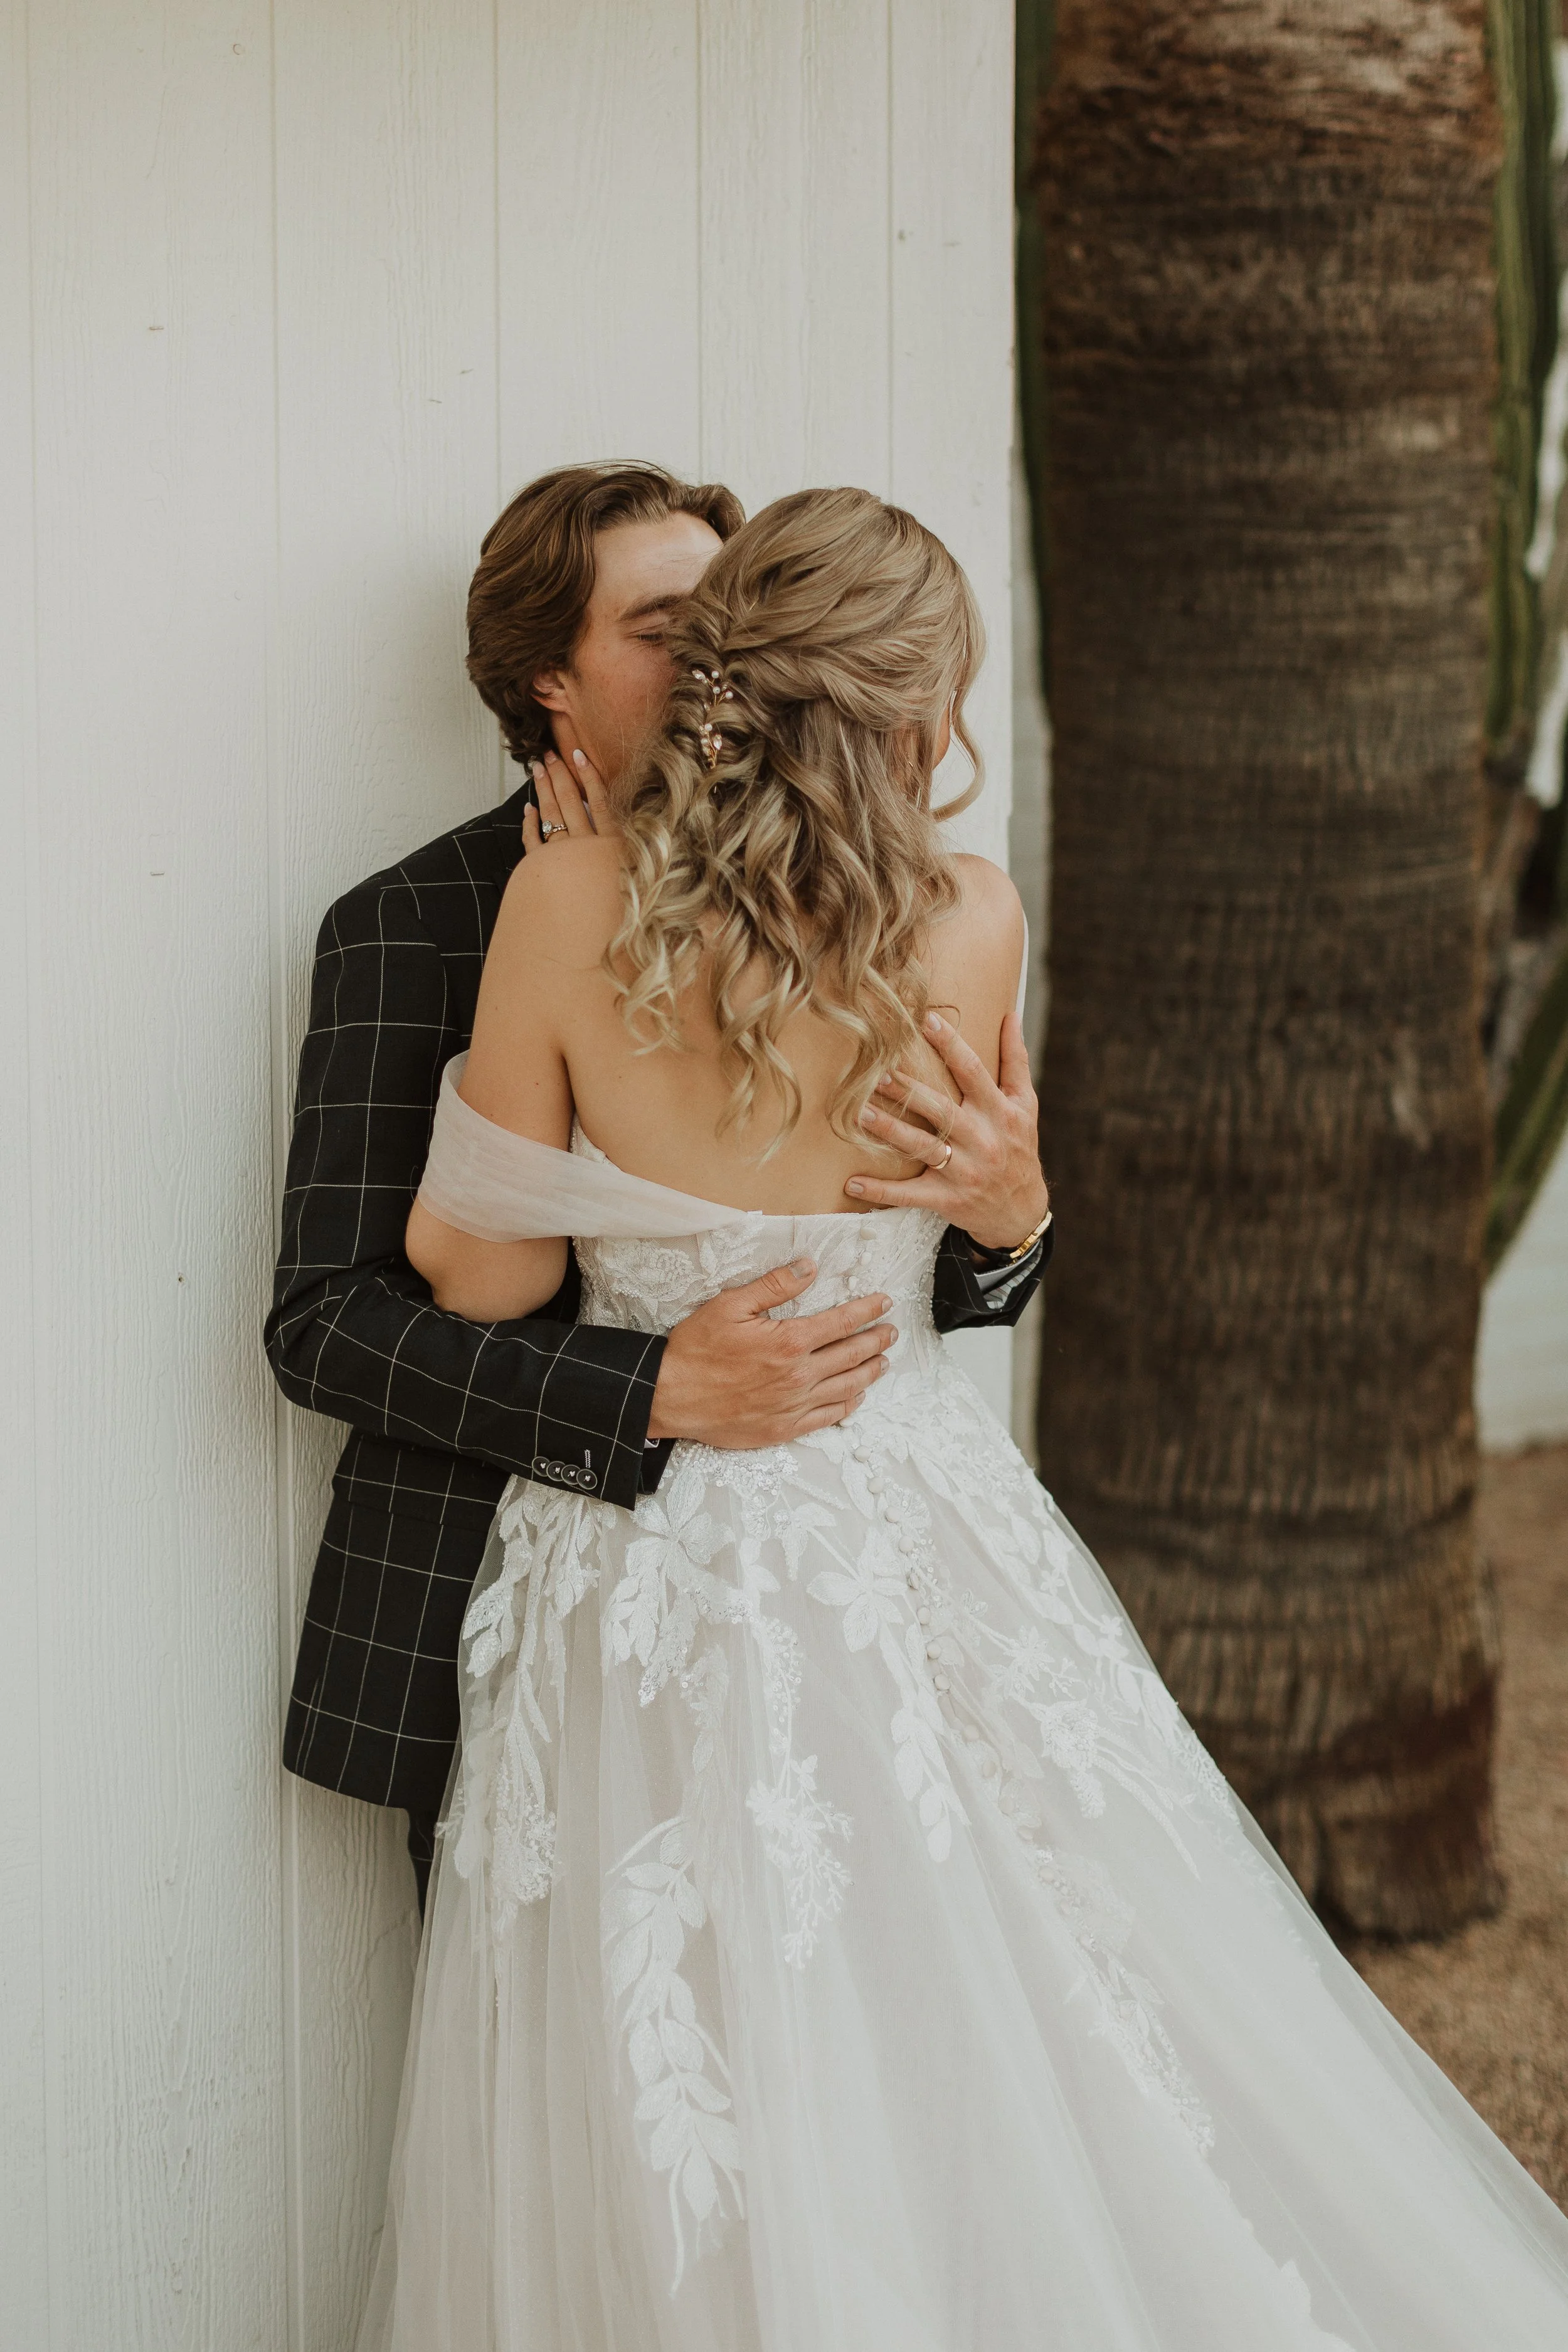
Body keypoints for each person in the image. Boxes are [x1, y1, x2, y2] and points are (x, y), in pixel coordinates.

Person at [358, 488, 1568, 2349]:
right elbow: (929, 1261)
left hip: (646, 1559)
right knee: (983, 1989)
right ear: (924, 707)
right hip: (898, 1525)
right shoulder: (970, 916)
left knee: (674, 2044)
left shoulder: (561, 898)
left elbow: (484, 1282)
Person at [265, 463, 1051, 1913]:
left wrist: (1015, 1220)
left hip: (873, 1574)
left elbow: (907, 1280)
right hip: (528, 1619)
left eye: (730, 620)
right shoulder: (417, 922)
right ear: (547, 685)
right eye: (668, 629)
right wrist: (648, 1394)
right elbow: (323, 1323)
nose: (711, 663)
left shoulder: (890, 908)